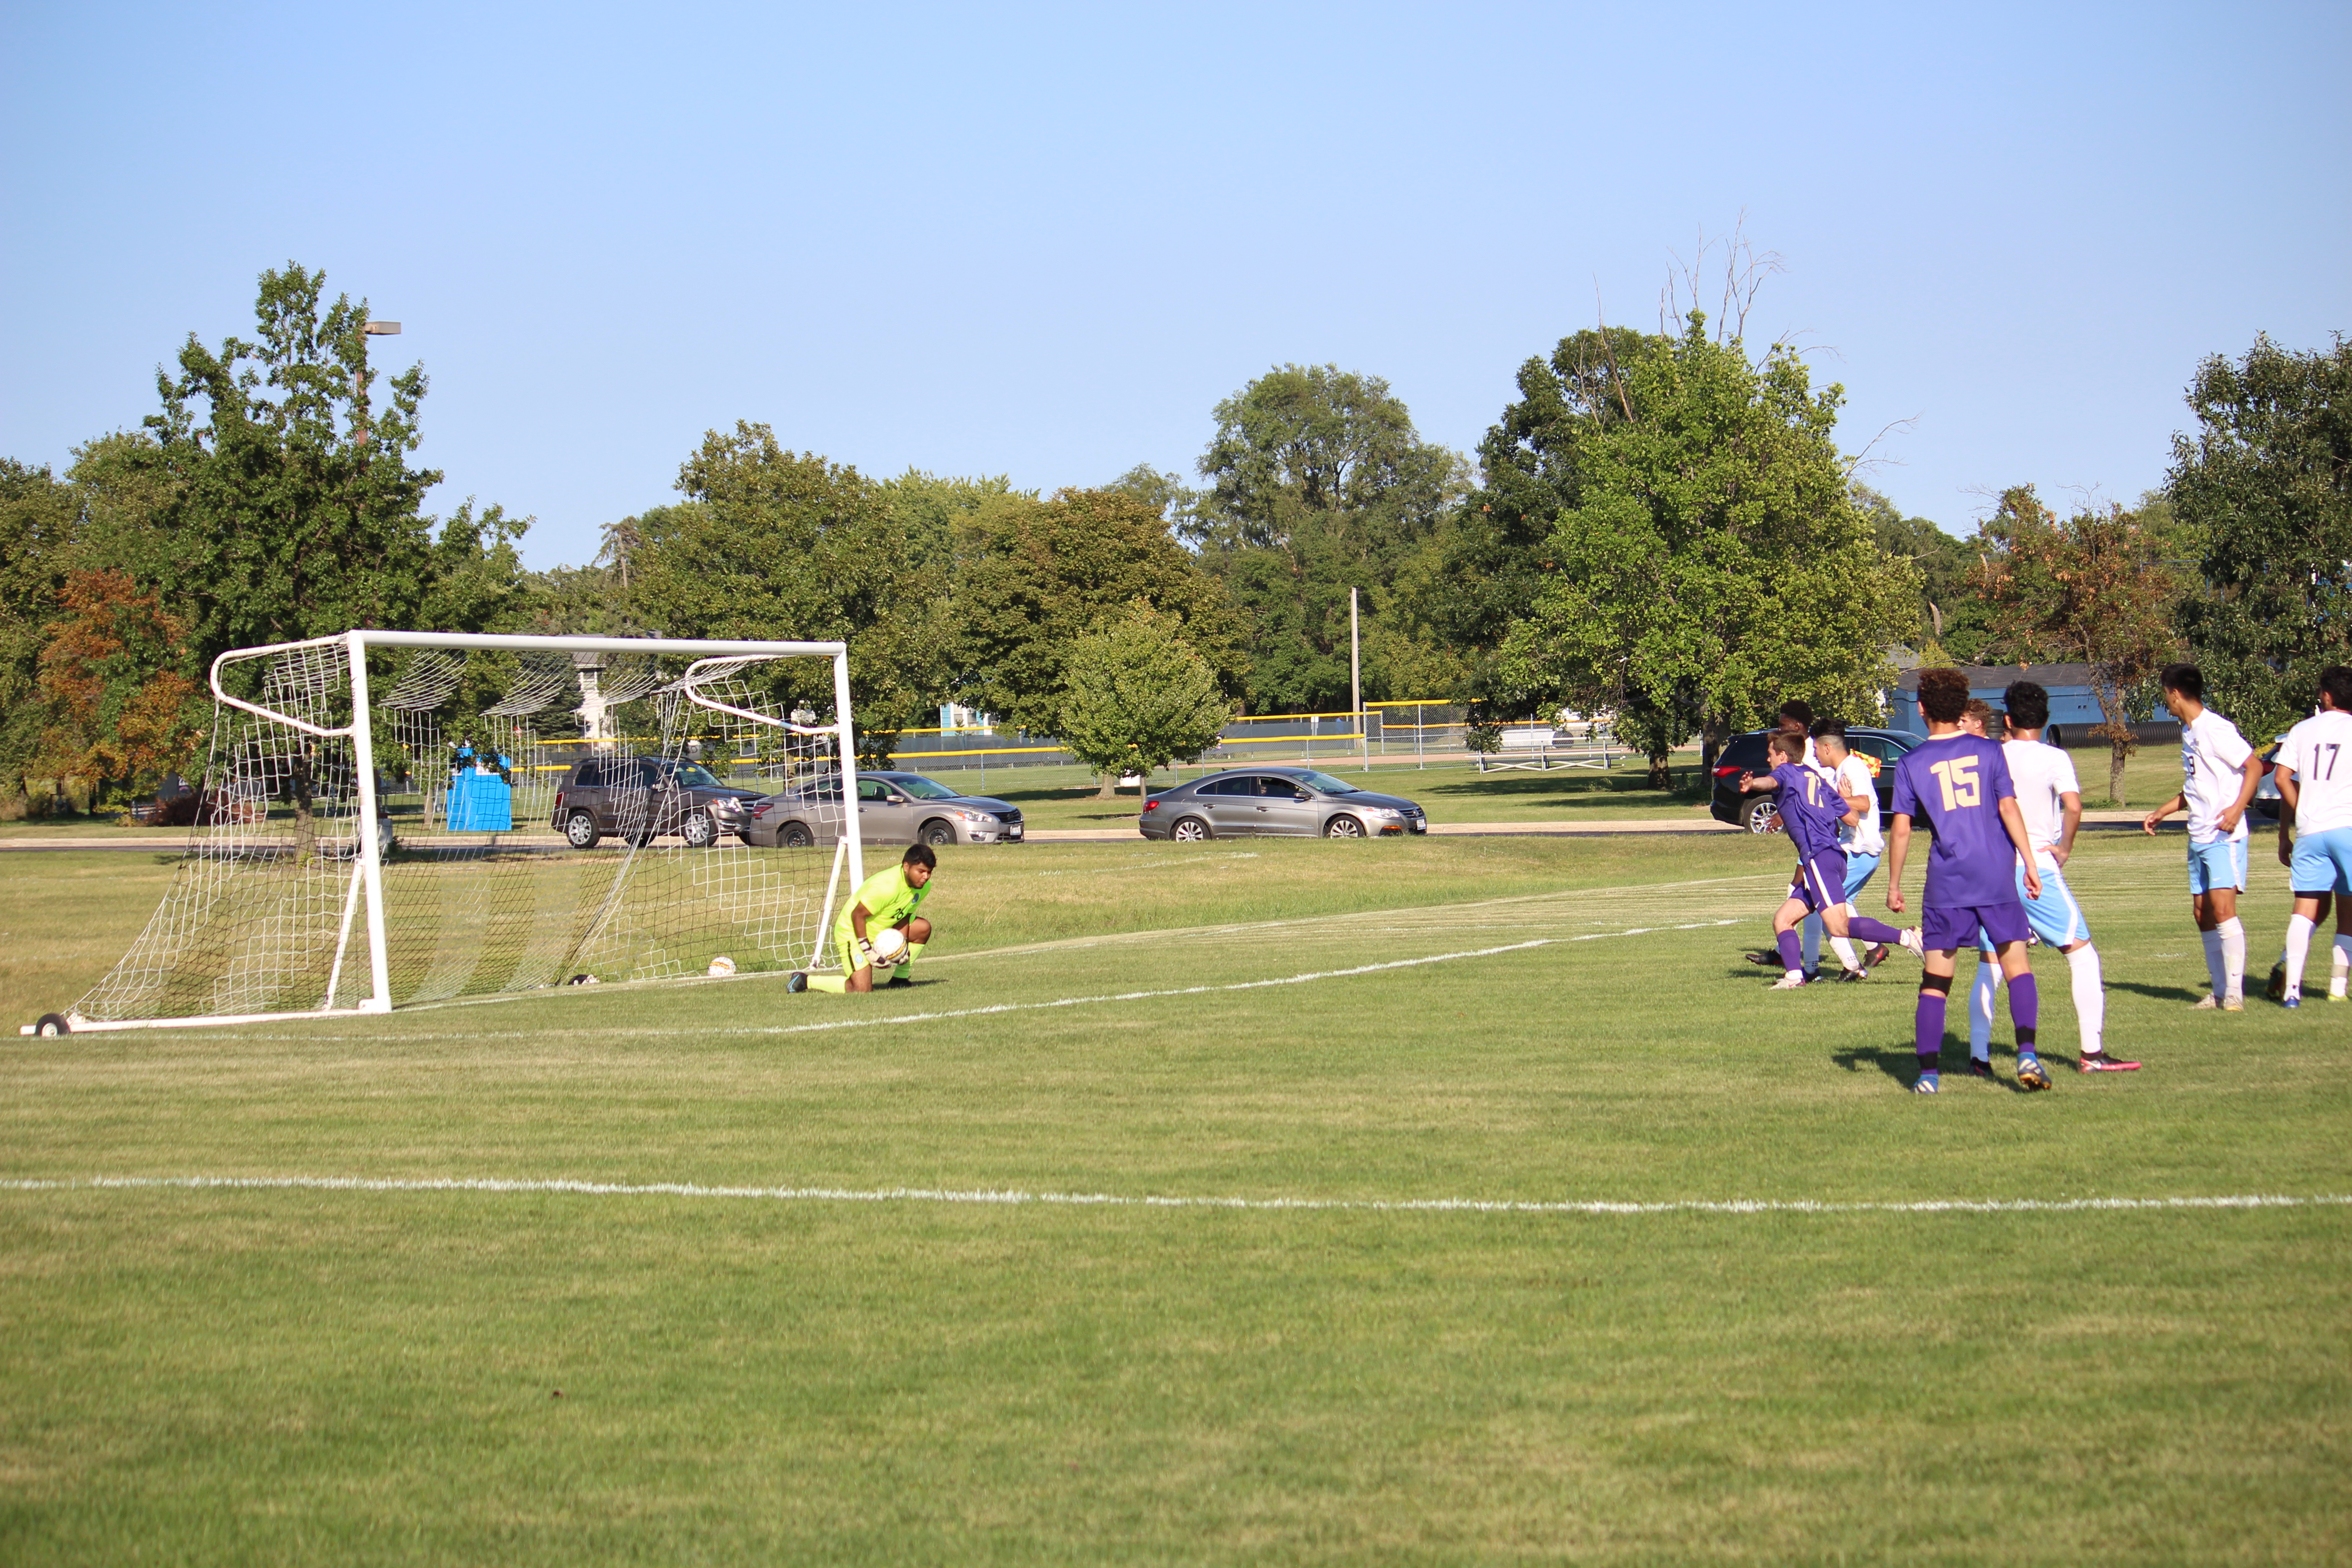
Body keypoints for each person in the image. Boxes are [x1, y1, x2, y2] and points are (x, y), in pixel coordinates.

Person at [1885, 666, 2046, 1093]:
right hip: (1994, 876)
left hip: (1947, 883)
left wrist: (1894, 883)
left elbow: (1902, 829)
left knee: (1937, 981)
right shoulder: (1991, 751)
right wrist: (2029, 862)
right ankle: (2027, 1054)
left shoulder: (1911, 762)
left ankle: (1928, 1077)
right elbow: (2009, 809)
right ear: (1960, 710)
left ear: (1921, 709)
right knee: (2016, 967)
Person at [1963, 682, 2136, 1073]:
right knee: (2082, 953)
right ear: (2045, 719)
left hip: (1991, 871)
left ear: (2006, 720)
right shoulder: (2053, 758)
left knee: (1991, 962)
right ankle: (2092, 1054)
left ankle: (1979, 1056)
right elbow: (2073, 807)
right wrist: (2065, 849)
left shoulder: (1989, 754)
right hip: (2035, 866)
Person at [1736, 730, 1913, 990]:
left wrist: (1752, 785)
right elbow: (1852, 820)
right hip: (1834, 856)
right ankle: (1795, 976)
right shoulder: (1817, 778)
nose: (1769, 760)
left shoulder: (1786, 772)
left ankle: (1906, 938)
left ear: (1783, 756)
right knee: (1783, 920)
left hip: (1820, 857)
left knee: (1839, 925)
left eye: (1771, 755)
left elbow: (1770, 783)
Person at [2140, 663, 2264, 1010]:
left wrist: (2238, 808)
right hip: (2198, 835)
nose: (2166, 700)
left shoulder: (2215, 728)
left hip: (2224, 834)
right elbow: (2197, 786)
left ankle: (2236, 996)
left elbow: (2254, 766)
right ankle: (2220, 992)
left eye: (2165, 693)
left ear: (2175, 693)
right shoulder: (2190, 731)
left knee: (2224, 911)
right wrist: (2164, 810)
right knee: (2202, 913)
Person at [2272, 665, 2352, 1007]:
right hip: (2347, 828)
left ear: (2328, 696)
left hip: (2310, 831)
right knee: (2347, 913)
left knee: (2303, 910)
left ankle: (2292, 992)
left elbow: (2281, 778)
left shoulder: (2302, 729)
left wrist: (2299, 812)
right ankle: (2337, 990)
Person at [1798, 720, 1891, 977]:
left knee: (1823, 908)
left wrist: (1828, 800)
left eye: (1816, 749)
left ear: (1827, 747)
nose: (1814, 755)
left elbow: (1863, 803)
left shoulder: (1852, 768)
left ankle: (1824, 968)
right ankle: (1871, 951)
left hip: (1860, 850)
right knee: (1840, 907)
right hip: (1856, 848)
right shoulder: (1844, 770)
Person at [791, 843, 936, 995]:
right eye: (921, 871)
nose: (926, 877)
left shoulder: (923, 887)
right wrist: (867, 949)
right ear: (906, 867)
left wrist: (903, 945)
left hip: (882, 930)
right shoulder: (887, 887)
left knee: (922, 928)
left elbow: (904, 915)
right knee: (861, 989)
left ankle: (899, 979)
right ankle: (804, 981)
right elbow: (857, 915)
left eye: (929, 872)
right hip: (853, 931)